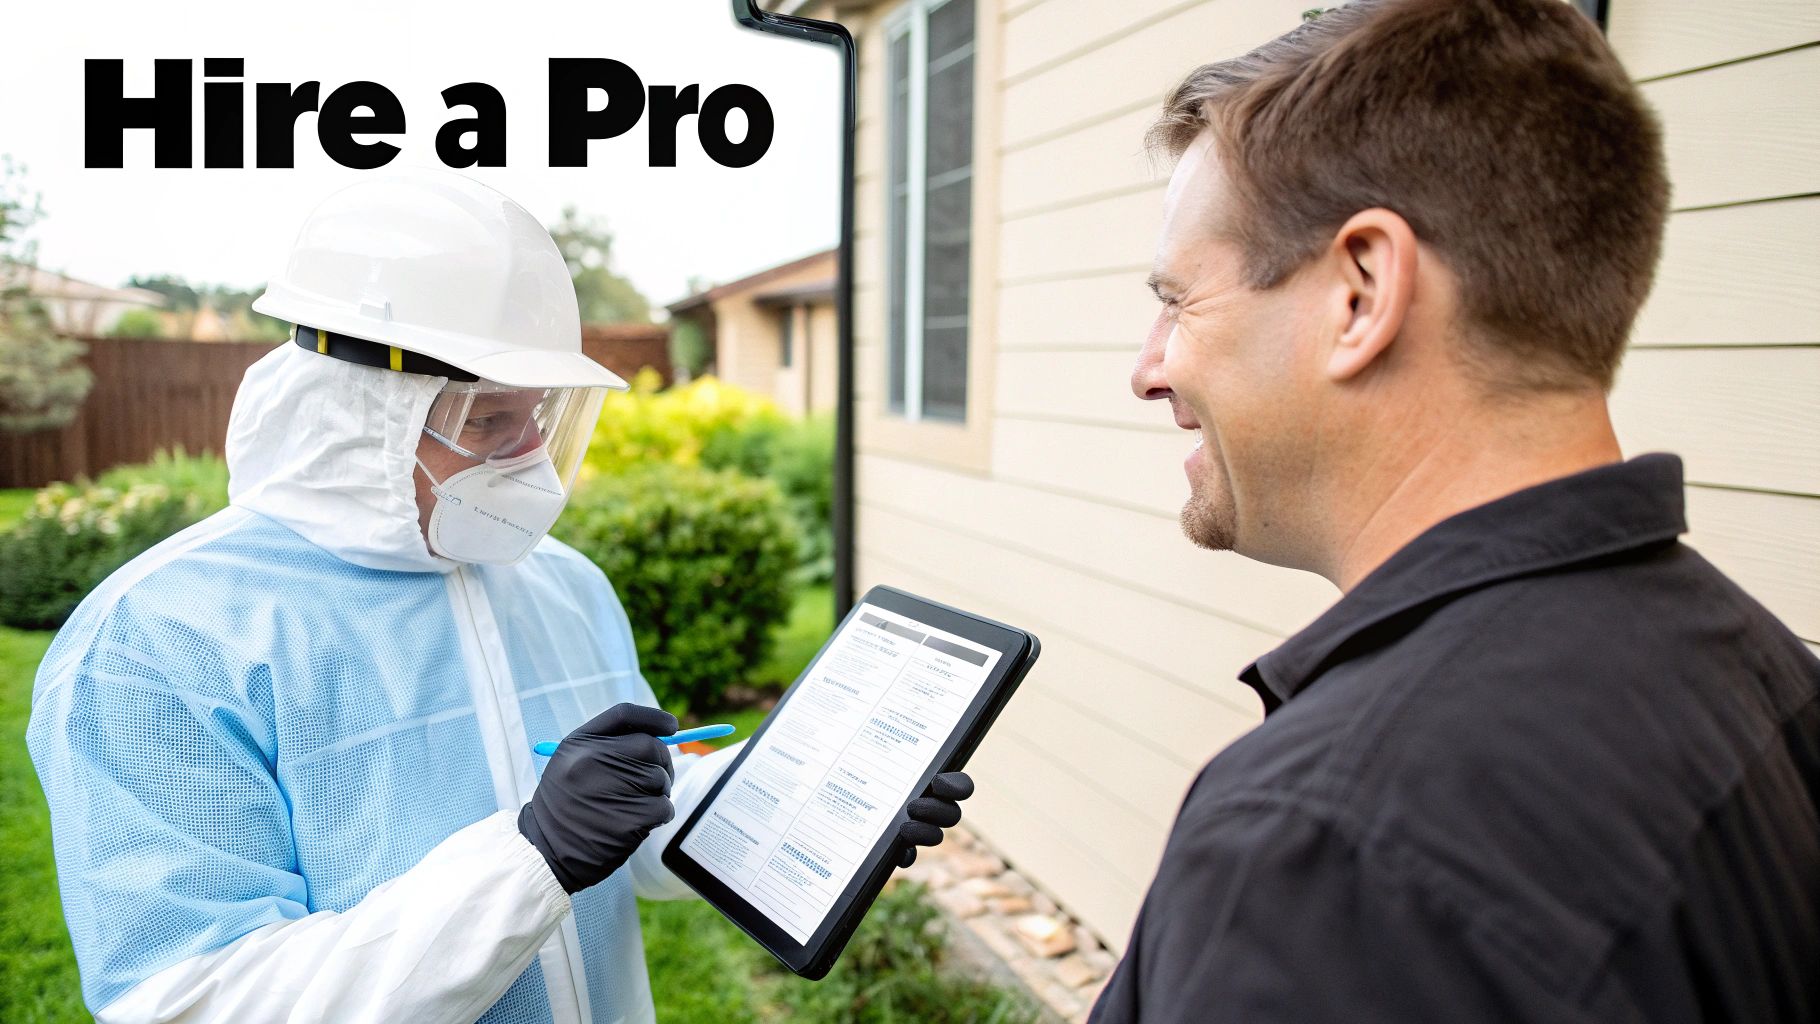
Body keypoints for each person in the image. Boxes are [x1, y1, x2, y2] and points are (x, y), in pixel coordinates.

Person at [28, 172, 970, 1024]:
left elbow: (636, 824)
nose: (526, 458)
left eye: (541, 417)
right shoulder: (158, 642)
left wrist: (818, 800)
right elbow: (194, 1002)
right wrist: (529, 861)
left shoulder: (562, 586)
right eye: (488, 420)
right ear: (357, 410)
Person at [1092, 1, 1820, 1021]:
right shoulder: (1769, 676)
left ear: (1359, 291)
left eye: (1178, 299)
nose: (1146, 369)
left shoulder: (1321, 850)